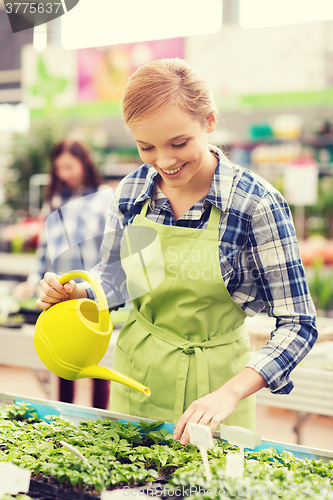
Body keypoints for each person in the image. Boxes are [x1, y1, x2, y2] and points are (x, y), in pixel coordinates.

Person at [36, 59, 318, 445]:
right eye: (146, 147)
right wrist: (80, 294)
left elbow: (299, 323)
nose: (165, 161)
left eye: (179, 143)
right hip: (137, 384)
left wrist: (230, 393)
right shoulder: (132, 192)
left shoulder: (256, 204)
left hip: (217, 396)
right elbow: (119, 280)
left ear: (209, 122)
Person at [15, 139, 114, 409]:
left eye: (69, 166)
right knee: (64, 361)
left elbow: (113, 249)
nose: (64, 173)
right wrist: (34, 280)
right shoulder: (55, 200)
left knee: (96, 363)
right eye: (60, 168)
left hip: (93, 293)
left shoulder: (105, 198)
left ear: (85, 163)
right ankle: (63, 420)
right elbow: (45, 248)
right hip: (61, 292)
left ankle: (97, 422)